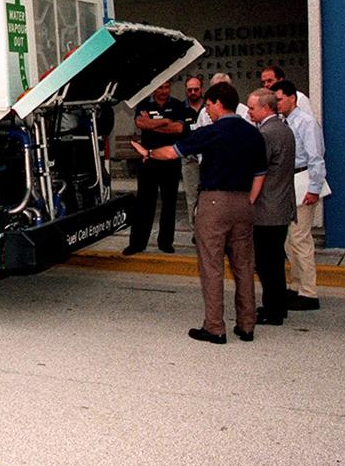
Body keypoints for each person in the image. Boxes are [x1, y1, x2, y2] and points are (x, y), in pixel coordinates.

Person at [134, 82, 267, 344]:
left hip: (214, 203)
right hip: (244, 202)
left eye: (208, 105)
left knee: (212, 266)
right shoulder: (253, 133)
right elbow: (261, 173)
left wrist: (148, 153)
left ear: (218, 102)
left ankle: (215, 327)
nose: (207, 110)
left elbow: (173, 152)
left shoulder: (212, 132)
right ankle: (246, 325)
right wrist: (249, 200)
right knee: (243, 266)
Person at [273, 80, 327, 311]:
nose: (277, 103)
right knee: (288, 240)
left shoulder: (305, 122)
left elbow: (316, 156)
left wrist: (314, 188)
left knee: (300, 238)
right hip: (288, 183)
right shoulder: (283, 122)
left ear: (292, 98)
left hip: (303, 180)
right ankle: (295, 286)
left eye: (279, 99)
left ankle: (308, 292)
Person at [124, 81, 193, 256]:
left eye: (167, 87)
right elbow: (141, 124)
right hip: (149, 160)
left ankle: (166, 242)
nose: (163, 91)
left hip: (170, 160)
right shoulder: (144, 104)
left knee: (169, 203)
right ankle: (137, 244)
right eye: (160, 87)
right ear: (154, 88)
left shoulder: (178, 104)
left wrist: (153, 123)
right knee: (144, 203)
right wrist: (165, 122)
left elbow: (178, 128)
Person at [247, 88, 296, 326]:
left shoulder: (266, 133)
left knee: (267, 263)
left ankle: (273, 309)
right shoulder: (284, 129)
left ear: (266, 108)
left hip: (267, 208)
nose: (249, 112)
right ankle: (276, 305)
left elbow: (257, 168)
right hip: (281, 205)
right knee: (274, 260)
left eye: (252, 108)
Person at [181, 75, 205, 222]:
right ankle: (194, 231)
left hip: (208, 157)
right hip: (190, 158)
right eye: (190, 90)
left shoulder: (209, 107)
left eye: (196, 89)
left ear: (201, 89)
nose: (193, 92)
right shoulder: (181, 108)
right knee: (192, 197)